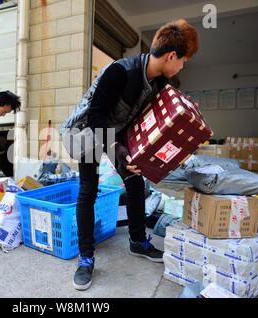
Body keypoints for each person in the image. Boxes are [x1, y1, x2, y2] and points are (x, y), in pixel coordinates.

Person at [60, 19, 199, 290]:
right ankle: (86, 257)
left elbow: (157, 121)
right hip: (86, 130)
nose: (182, 66)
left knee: (136, 181)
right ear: (171, 56)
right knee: (88, 188)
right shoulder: (119, 72)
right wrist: (117, 149)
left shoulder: (160, 82)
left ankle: (137, 241)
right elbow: (97, 116)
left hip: (118, 131)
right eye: (183, 61)